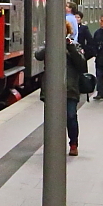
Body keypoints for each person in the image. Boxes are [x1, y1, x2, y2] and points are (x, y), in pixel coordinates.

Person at [36, 20, 88, 156]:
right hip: (52, 90)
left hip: (70, 88)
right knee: (52, 118)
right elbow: (38, 55)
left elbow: (82, 65)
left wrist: (70, 47)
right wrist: (50, 44)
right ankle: (53, 144)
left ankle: (73, 143)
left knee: (71, 116)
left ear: (67, 32)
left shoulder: (75, 46)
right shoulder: (48, 45)